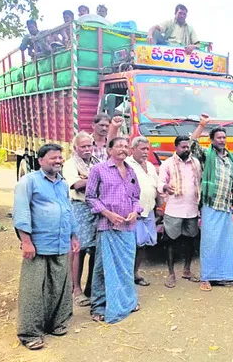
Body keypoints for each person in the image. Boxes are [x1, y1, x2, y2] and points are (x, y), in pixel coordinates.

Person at [13, 144, 80, 350]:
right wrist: (26, 241)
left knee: (59, 285)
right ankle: (30, 333)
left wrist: (73, 235)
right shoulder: (29, 181)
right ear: (41, 160)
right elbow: (21, 212)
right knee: (34, 289)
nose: (58, 161)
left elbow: (68, 210)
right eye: (53, 158)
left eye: (60, 158)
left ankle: (57, 323)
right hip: (38, 245)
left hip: (60, 243)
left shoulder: (61, 183)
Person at [85, 137, 142, 323]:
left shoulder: (132, 171)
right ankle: (99, 306)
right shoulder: (98, 170)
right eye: (119, 146)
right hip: (107, 226)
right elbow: (90, 197)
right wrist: (108, 214)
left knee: (126, 267)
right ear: (109, 150)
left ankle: (127, 301)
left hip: (128, 227)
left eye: (126, 146)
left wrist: (135, 211)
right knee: (103, 267)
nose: (123, 149)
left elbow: (136, 197)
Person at [190, 114, 233, 292]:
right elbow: (191, 145)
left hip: (225, 205)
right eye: (218, 137)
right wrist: (201, 125)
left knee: (226, 241)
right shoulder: (206, 155)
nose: (222, 140)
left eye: (224, 137)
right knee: (209, 242)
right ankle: (206, 278)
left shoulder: (231, 158)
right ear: (211, 140)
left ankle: (229, 275)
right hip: (210, 205)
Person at [158, 135, 202, 288]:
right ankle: (171, 274)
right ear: (175, 147)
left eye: (187, 147)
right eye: (183, 147)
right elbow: (161, 183)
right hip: (174, 209)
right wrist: (165, 187)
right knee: (170, 241)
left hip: (191, 208)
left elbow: (199, 181)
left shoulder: (195, 162)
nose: (186, 149)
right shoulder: (167, 164)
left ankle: (187, 270)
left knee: (191, 240)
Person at [62, 132, 100, 308]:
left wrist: (87, 178)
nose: (87, 149)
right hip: (79, 208)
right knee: (79, 249)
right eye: (83, 146)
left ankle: (90, 287)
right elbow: (76, 185)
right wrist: (94, 177)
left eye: (89, 145)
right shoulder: (70, 164)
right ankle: (76, 289)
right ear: (75, 148)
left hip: (95, 208)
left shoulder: (95, 162)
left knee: (95, 248)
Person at [126, 137, 161, 287]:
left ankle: (135, 273)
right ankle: (126, 276)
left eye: (147, 149)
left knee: (143, 244)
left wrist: (159, 206)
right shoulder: (127, 164)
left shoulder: (151, 166)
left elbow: (156, 186)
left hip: (149, 210)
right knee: (130, 245)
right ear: (133, 149)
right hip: (133, 212)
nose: (146, 152)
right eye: (143, 149)